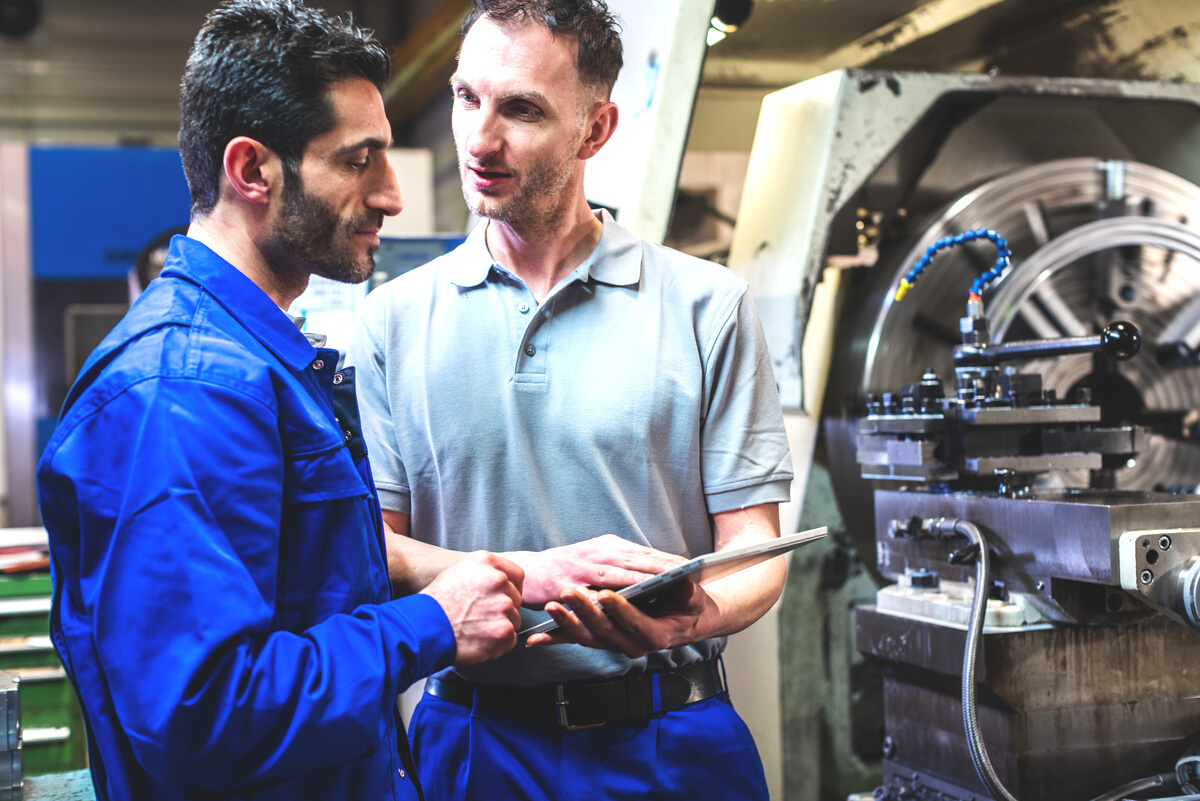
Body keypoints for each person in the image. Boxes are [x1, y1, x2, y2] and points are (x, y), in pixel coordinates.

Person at [35, 2, 525, 800]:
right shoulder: (186, 389)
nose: (392, 195)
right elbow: (205, 713)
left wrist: (504, 575)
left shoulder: (258, 361)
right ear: (253, 171)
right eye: (359, 160)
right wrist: (434, 623)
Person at [346, 0, 794, 798]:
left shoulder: (708, 306)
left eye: (521, 109)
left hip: (668, 734)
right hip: (474, 736)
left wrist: (686, 617)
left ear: (596, 130)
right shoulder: (389, 321)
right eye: (466, 97)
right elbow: (376, 549)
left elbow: (756, 553)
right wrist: (531, 575)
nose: (480, 140)